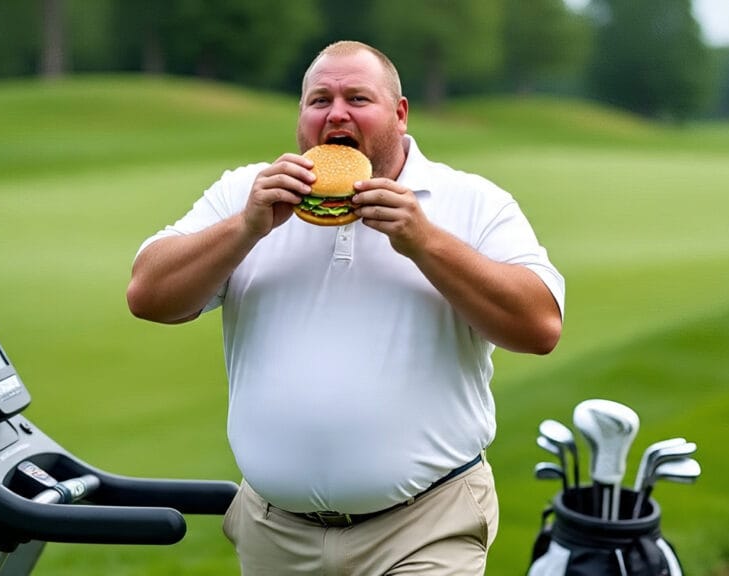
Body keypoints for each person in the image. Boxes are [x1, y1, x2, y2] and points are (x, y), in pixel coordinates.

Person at [127, 40, 565, 575]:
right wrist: (245, 228)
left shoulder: (472, 201)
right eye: (319, 100)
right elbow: (148, 295)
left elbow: (540, 325)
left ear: (399, 114)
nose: (336, 113)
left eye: (358, 98)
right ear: (301, 117)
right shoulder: (248, 194)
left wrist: (425, 242)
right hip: (274, 533)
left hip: (425, 526)